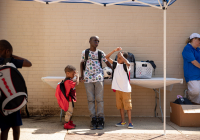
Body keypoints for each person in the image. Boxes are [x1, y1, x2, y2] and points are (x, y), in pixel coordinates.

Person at [0, 40, 32, 140]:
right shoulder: (11, 61)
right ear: (7, 51)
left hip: (1, 101)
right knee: (16, 127)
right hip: (14, 99)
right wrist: (13, 56)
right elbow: (28, 63)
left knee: (4, 129)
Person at [80, 36, 112, 130]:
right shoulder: (84, 52)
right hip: (87, 79)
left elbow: (107, 63)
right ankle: (93, 119)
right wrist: (81, 75)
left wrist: (115, 71)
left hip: (98, 78)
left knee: (99, 99)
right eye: (95, 40)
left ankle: (101, 119)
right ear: (89, 41)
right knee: (90, 99)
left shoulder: (100, 53)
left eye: (98, 41)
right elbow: (82, 63)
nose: (97, 42)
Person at [105, 47, 134, 129]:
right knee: (120, 106)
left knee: (128, 107)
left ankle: (130, 122)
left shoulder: (126, 66)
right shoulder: (115, 64)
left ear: (124, 58)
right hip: (118, 90)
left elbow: (128, 63)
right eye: (118, 58)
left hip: (126, 90)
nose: (118, 59)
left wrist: (123, 57)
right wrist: (114, 51)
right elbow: (106, 58)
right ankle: (123, 121)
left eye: (120, 58)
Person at [182, 33, 200, 104]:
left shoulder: (198, 50)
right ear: (193, 40)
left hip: (198, 75)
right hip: (191, 75)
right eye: (199, 40)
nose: (199, 42)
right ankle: (188, 93)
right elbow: (194, 62)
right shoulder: (187, 48)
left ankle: (195, 112)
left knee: (198, 96)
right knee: (195, 91)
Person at [61, 65, 79, 130]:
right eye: (73, 74)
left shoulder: (69, 80)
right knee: (69, 111)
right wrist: (77, 78)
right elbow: (76, 84)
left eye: (74, 74)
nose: (74, 75)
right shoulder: (68, 81)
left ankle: (69, 122)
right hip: (69, 99)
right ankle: (66, 124)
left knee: (70, 111)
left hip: (70, 99)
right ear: (67, 73)